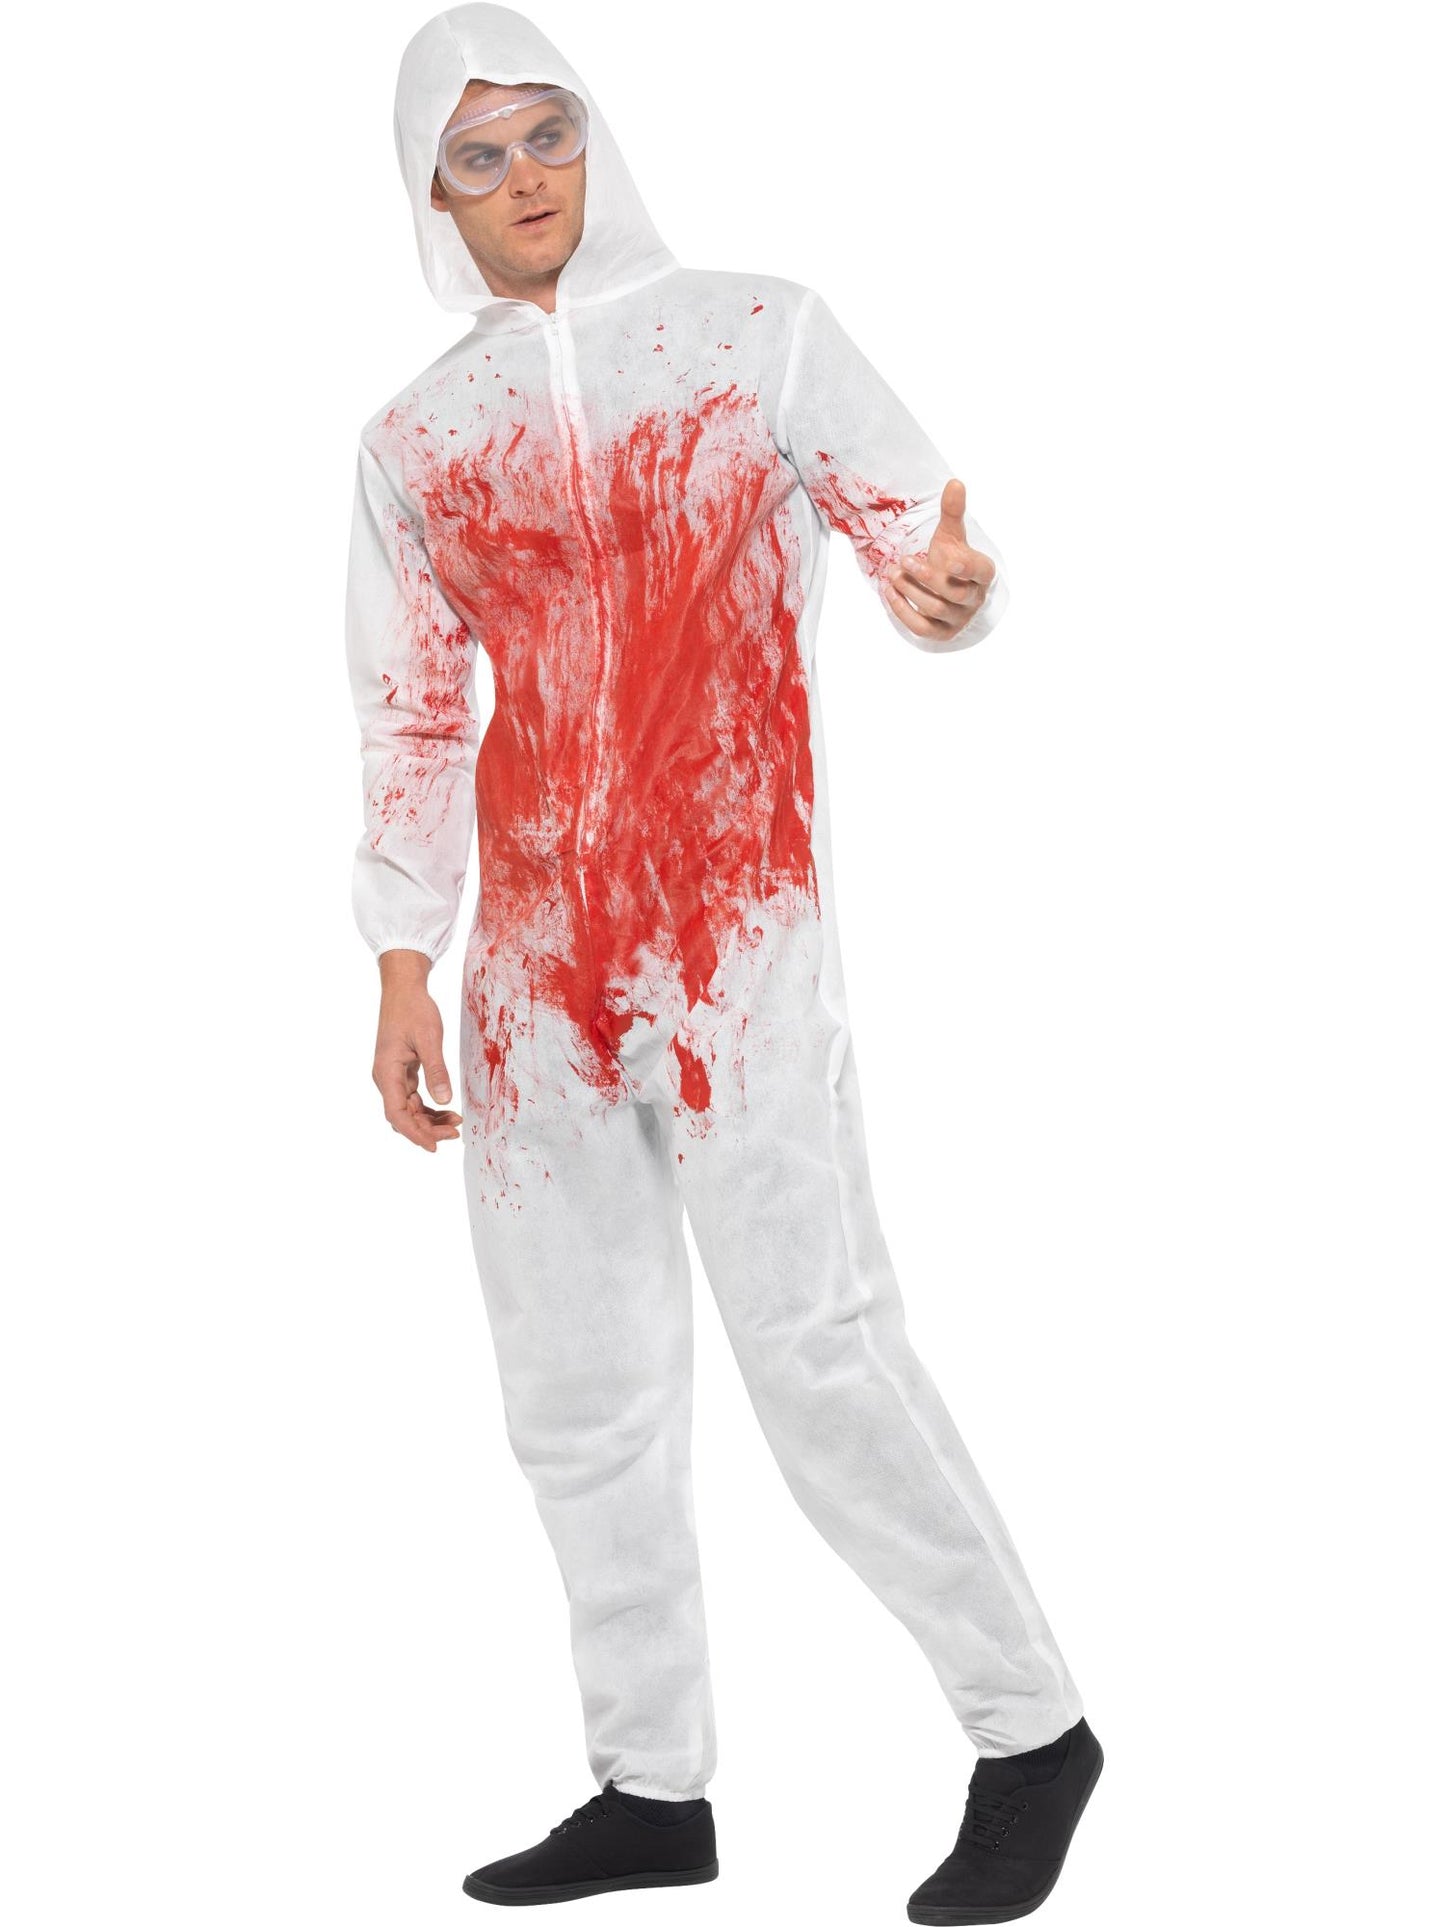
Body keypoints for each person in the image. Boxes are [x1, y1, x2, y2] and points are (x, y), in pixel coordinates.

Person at [344, 5, 1103, 1917]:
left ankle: (1030, 1730)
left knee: (816, 1348)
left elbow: (915, 535)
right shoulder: (417, 438)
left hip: (736, 939)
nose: (526, 178)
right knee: (577, 1399)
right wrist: (403, 959)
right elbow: (413, 709)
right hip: (531, 977)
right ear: (432, 191)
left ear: (593, 135)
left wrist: (951, 597)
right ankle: (648, 1790)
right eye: (479, 155)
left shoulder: (755, 332)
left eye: (547, 133)